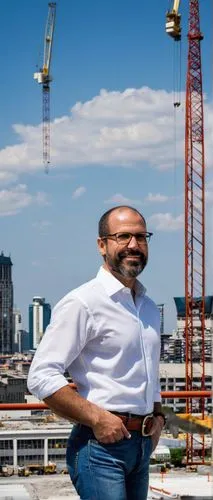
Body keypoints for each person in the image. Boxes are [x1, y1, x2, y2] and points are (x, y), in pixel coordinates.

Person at [27, 205, 165, 500]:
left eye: (141, 237)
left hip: (140, 446)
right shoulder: (83, 302)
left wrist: (158, 417)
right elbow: (41, 375)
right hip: (100, 447)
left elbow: (149, 371)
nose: (134, 245)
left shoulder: (149, 307)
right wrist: (98, 418)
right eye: (123, 236)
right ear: (102, 245)